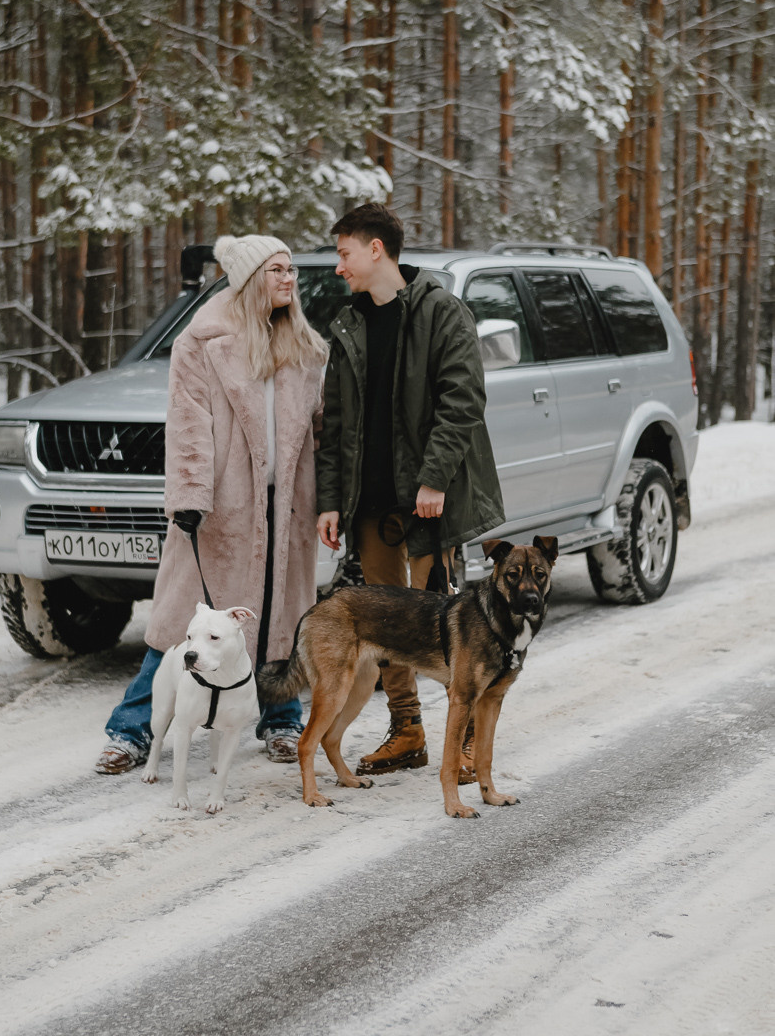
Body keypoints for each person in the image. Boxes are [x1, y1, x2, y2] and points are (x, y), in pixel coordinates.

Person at [95, 233, 328, 773]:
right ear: (248, 280)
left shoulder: (307, 348)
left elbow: (320, 434)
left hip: (286, 509)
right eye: (276, 270)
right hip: (220, 511)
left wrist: (327, 501)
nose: (289, 278)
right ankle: (130, 731)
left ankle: (281, 720)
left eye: (290, 269)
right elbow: (189, 425)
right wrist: (190, 497)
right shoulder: (201, 342)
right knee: (182, 627)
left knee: (280, 624)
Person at [316, 202, 505, 776]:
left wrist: (434, 479)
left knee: (447, 626)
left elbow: (462, 400)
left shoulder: (441, 312)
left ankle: (465, 740)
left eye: (344, 253)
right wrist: (330, 501)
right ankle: (408, 731)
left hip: (426, 503)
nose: (339, 267)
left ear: (376, 250)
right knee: (386, 627)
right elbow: (335, 424)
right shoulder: (348, 325)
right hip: (370, 504)